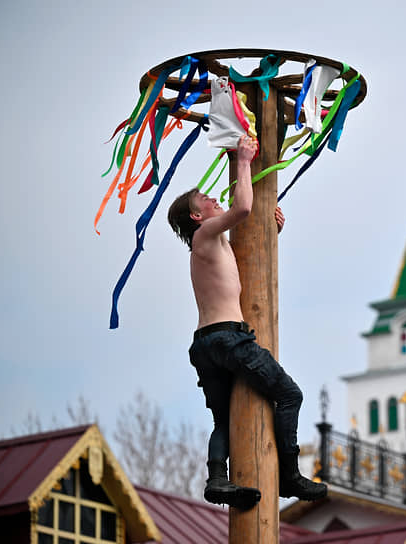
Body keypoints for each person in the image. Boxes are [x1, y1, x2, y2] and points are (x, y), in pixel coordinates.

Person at [167, 135, 327, 509]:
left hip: (207, 344)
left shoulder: (214, 243)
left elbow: (247, 258)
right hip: (227, 338)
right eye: (203, 201)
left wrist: (273, 230)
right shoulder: (204, 233)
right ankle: (290, 475)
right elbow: (241, 209)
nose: (210, 198)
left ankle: (218, 480)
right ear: (196, 216)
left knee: (224, 419)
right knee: (289, 394)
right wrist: (242, 159)